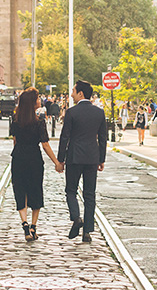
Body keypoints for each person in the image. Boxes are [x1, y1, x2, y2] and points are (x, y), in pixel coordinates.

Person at [57, 80, 107, 243]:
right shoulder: (99, 113)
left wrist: (60, 159)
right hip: (92, 157)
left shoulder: (72, 112)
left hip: (74, 156)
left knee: (71, 190)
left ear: (80, 93)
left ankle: (76, 217)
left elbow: (65, 136)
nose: (71, 94)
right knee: (90, 194)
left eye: (73, 91)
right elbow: (103, 138)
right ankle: (87, 232)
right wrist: (101, 159)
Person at [10, 88, 63, 242]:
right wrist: (57, 163)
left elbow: (15, 140)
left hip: (19, 157)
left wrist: (18, 152)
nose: (40, 100)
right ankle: (33, 226)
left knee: (20, 190)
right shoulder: (39, 122)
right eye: (38, 98)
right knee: (35, 189)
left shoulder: (15, 120)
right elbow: (45, 145)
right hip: (34, 158)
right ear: (33, 103)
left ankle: (25, 224)